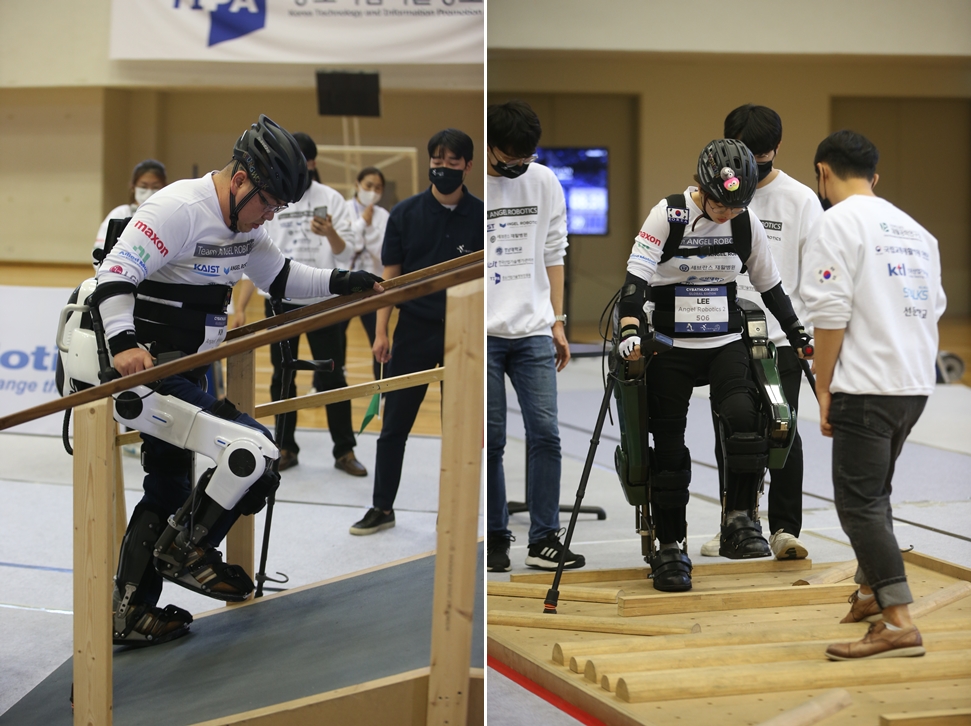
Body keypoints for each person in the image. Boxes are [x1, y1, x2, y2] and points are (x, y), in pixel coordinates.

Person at [94, 115, 382, 645]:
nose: (270, 216)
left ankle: (129, 614)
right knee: (251, 452)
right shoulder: (178, 208)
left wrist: (345, 282)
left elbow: (285, 278)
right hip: (149, 370)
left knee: (168, 487)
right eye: (268, 203)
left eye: (278, 208)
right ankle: (186, 552)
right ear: (242, 178)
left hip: (189, 368)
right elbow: (113, 276)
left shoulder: (246, 224)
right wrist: (122, 343)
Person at [617, 138, 811, 592]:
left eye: (737, 205)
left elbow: (771, 286)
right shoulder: (669, 215)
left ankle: (739, 520)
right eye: (721, 205)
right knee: (666, 448)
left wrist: (798, 332)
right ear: (703, 187)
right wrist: (629, 327)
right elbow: (635, 279)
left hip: (724, 338)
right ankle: (669, 545)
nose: (728, 214)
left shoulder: (746, 224)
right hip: (669, 343)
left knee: (746, 421)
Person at [801, 130, 945, 660]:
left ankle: (898, 621)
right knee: (876, 495)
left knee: (858, 504)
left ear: (823, 172)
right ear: (875, 177)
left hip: (865, 385)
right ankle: (867, 593)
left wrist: (822, 385)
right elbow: (936, 304)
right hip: (913, 385)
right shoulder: (915, 229)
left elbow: (829, 313)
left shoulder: (834, 223)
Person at [700, 105, 823, 561]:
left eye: (764, 155)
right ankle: (737, 523)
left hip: (779, 337)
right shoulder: (713, 193)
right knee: (729, 431)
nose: (756, 164)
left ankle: (784, 529)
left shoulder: (801, 201)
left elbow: (815, 275)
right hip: (724, 337)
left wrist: (802, 335)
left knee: (781, 431)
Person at [348, 129, 483, 535]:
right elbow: (388, 281)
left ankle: (453, 511)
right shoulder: (404, 214)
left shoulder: (481, 215)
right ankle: (382, 507)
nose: (442, 168)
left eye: (452, 162)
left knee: (457, 430)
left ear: (468, 166)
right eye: (437, 161)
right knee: (394, 428)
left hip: (465, 333)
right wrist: (381, 332)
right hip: (413, 332)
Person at [231, 132, 367, 476]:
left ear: (312, 164)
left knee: (333, 376)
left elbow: (347, 254)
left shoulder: (331, 198)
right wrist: (241, 308)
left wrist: (331, 234)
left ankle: (344, 449)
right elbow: (256, 260)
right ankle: (285, 446)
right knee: (283, 375)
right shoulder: (271, 196)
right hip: (280, 302)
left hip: (325, 300)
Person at [485, 100, 584, 573]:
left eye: (525, 159)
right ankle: (496, 536)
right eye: (508, 159)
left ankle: (544, 537)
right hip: (483, 333)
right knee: (493, 439)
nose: (517, 167)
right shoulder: (474, 186)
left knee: (546, 434)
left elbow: (554, 250)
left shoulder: (545, 181)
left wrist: (557, 320)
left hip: (533, 329)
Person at [344, 166, 391, 382]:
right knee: (333, 334)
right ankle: (324, 382)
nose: (372, 191)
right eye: (368, 186)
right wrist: (362, 222)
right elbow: (347, 245)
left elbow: (383, 252)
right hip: (343, 283)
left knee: (377, 334)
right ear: (357, 185)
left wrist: (369, 228)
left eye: (378, 187)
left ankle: (381, 383)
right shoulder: (343, 209)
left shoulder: (383, 216)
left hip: (373, 286)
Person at [93, 159, 167, 271]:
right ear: (133, 187)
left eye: (155, 187)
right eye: (143, 186)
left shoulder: (168, 216)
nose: (149, 191)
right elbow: (100, 250)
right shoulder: (120, 213)